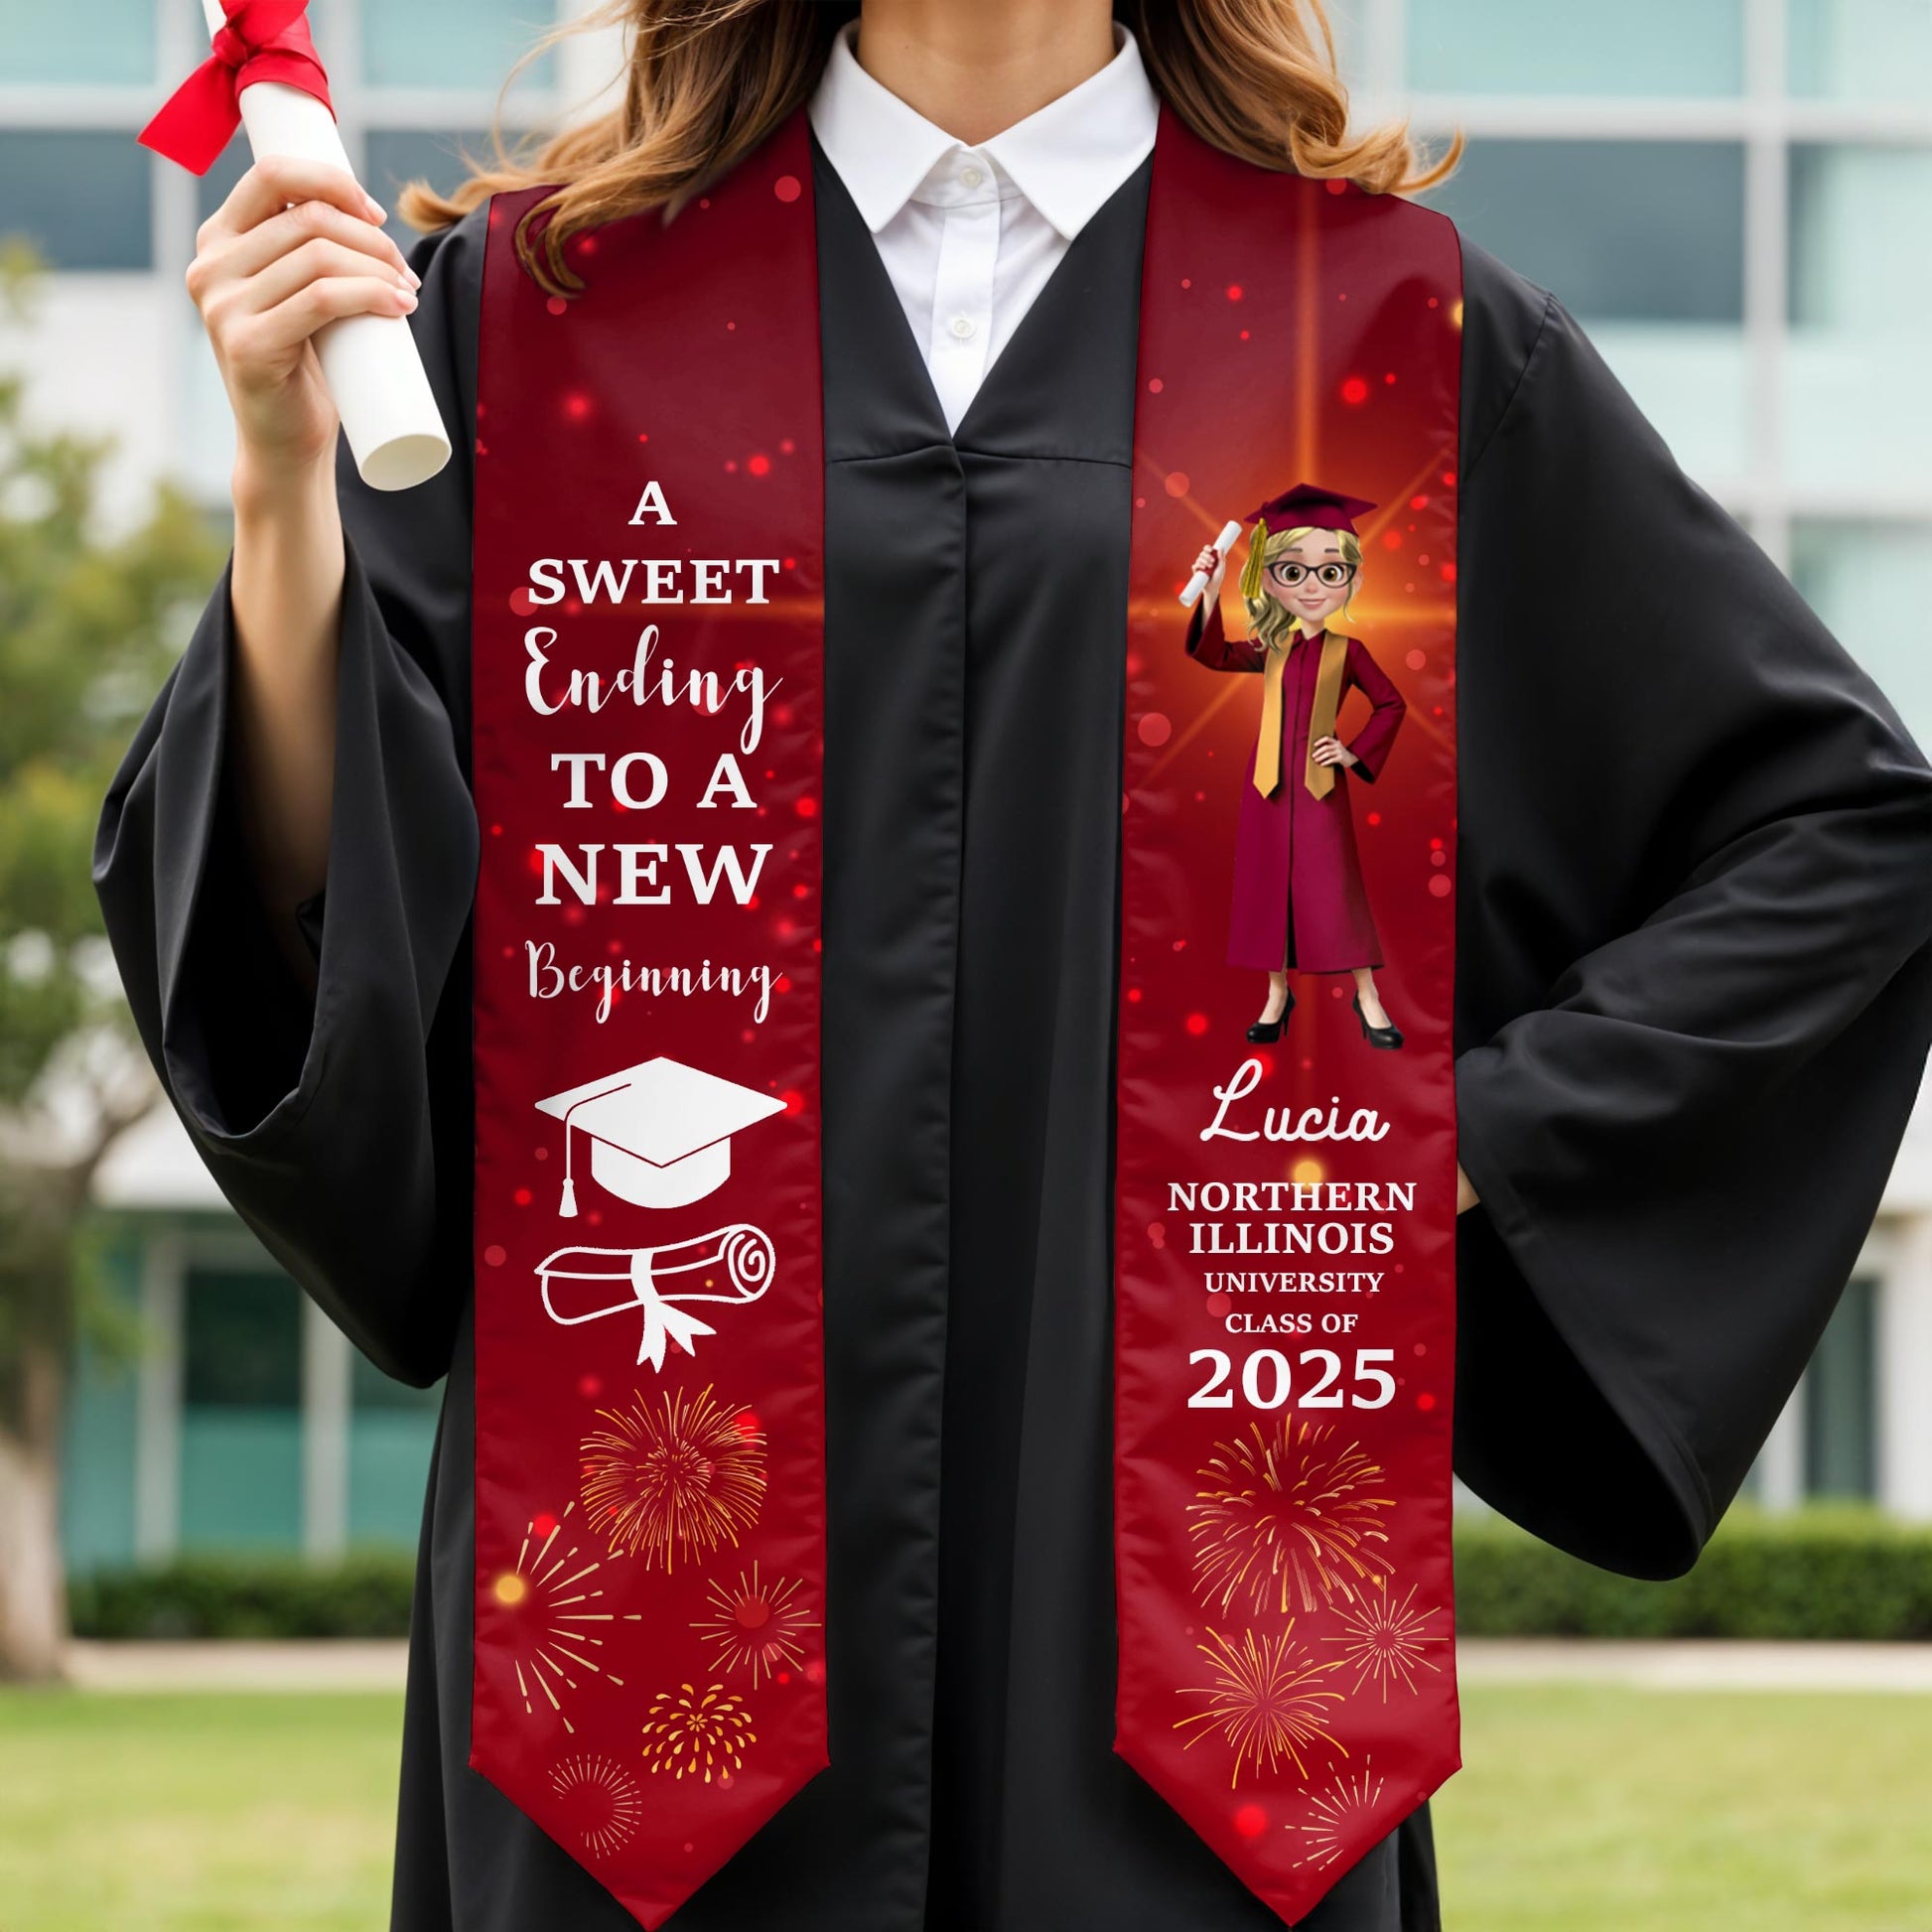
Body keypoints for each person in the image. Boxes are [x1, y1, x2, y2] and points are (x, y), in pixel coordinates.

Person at [94, 2, 1932, 1929]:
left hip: (1183, 1626)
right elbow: (327, 905)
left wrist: (1442, 1142)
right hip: (656, 1648)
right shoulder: (545, 315)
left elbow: (1833, 831)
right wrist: (280, 485)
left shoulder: (1368, 331)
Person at [1185, 485, 1409, 1049]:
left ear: (1352, 580)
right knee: (1268, 889)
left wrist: (1353, 750)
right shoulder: (1271, 644)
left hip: (1318, 785)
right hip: (1266, 787)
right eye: (1293, 571)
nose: (1311, 585)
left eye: (1329, 573)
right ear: (1269, 579)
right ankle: (1276, 994)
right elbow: (1211, 654)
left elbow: (1392, 703)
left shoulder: (1348, 650)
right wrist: (1211, 587)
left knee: (1334, 887)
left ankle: (1368, 994)